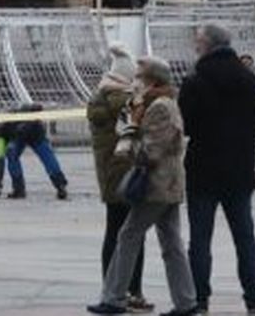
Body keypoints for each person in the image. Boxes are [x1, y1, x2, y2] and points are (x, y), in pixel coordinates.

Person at [89, 57, 199, 316]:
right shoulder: (155, 103)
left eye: (139, 76)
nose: (135, 81)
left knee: (128, 235)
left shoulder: (160, 106)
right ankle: (186, 302)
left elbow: (152, 150)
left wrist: (130, 143)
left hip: (157, 185)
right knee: (171, 243)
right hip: (167, 185)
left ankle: (114, 298)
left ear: (152, 80)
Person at [179, 24, 255, 316]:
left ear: (207, 45)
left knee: (200, 241)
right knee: (245, 237)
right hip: (240, 169)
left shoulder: (195, 80)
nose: (195, 46)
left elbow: (186, 125)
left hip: (203, 170)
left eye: (198, 41)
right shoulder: (249, 79)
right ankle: (254, 299)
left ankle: (199, 300)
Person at [87, 45, 152, 312]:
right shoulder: (121, 100)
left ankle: (113, 289)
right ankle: (129, 290)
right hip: (125, 172)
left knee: (116, 232)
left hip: (112, 174)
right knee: (131, 234)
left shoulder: (101, 97)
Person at [0, 104, 69, 200]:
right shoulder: (2, 128)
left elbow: (0, 159)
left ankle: (19, 190)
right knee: (47, 157)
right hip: (31, 128)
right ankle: (60, 185)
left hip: (25, 130)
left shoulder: (0, 131)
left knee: (13, 156)